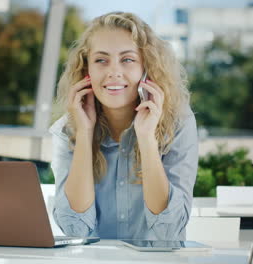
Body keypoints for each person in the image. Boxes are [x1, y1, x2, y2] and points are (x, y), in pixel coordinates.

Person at [49, 12, 198, 240]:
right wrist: (84, 133)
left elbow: (168, 230)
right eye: (101, 60)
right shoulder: (67, 129)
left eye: (127, 59)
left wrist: (147, 138)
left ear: (147, 69)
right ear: (86, 70)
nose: (114, 72)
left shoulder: (177, 124)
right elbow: (75, 230)